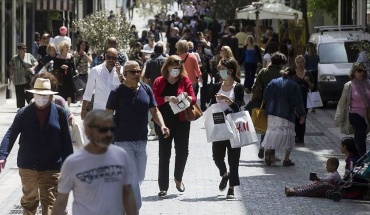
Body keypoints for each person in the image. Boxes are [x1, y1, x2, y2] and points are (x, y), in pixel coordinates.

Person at [0, 78, 73, 215]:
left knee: (50, 201)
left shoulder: (60, 113)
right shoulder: (24, 113)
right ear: (33, 95)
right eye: (39, 95)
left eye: (45, 95)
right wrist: (2, 155)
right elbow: (11, 133)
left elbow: (67, 141)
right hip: (28, 166)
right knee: (29, 201)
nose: (42, 98)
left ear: (51, 96)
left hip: (51, 166)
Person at [106, 60, 170, 212]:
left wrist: (162, 125)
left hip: (142, 140)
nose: (136, 74)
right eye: (132, 72)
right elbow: (107, 115)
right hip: (122, 141)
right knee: (133, 176)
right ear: (125, 74)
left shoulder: (147, 89)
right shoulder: (117, 92)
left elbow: (154, 111)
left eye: (138, 71)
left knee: (139, 177)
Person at [51, 110, 137, 215]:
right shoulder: (72, 163)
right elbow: (61, 201)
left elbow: (127, 193)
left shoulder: (121, 156)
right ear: (87, 131)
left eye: (111, 129)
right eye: (103, 129)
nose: (109, 134)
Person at [152, 55, 196, 197]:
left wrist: (189, 98)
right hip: (164, 122)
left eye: (178, 68)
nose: (176, 70)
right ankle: (163, 186)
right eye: (173, 67)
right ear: (167, 67)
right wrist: (166, 98)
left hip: (182, 121)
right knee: (164, 153)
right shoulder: (159, 81)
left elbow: (193, 97)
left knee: (182, 151)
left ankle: (178, 178)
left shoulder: (184, 80)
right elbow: (152, 100)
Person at [208, 58, 244, 199]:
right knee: (217, 156)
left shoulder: (238, 87)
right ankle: (224, 173)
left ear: (230, 71)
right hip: (218, 126)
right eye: (219, 69)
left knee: (233, 159)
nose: (219, 72)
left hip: (234, 126)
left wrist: (228, 101)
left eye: (222, 69)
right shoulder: (217, 86)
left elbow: (238, 107)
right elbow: (211, 104)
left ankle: (231, 188)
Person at [246, 52, 287, 160]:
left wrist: (252, 98)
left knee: (265, 127)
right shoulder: (282, 74)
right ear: (281, 63)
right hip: (278, 105)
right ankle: (271, 153)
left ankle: (262, 146)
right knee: (274, 128)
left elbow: (255, 86)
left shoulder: (263, 71)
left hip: (263, 103)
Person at [262, 67, 306, 166]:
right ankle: (286, 159)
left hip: (272, 112)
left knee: (271, 131)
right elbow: (299, 102)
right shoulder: (294, 85)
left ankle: (268, 151)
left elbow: (265, 95)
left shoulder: (273, 82)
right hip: (287, 113)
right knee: (289, 134)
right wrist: (302, 115)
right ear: (294, 75)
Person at [335, 62, 370, 155]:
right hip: (354, 113)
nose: (361, 73)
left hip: (367, 114)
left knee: (359, 134)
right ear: (354, 72)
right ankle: (362, 154)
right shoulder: (349, 85)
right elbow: (342, 102)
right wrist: (339, 117)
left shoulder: (368, 83)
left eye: (363, 71)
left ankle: (355, 154)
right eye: (359, 71)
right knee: (361, 131)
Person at [81, 48, 123, 119]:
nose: (111, 60)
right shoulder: (95, 71)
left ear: (117, 58)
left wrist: (120, 74)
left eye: (114, 58)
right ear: (105, 56)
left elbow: (126, 88)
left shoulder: (121, 70)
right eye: (109, 57)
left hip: (116, 113)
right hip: (99, 112)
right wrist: (83, 110)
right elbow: (88, 92)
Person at [143, 43, 167, 138]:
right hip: (166, 88)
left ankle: (158, 132)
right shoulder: (166, 61)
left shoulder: (150, 62)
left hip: (154, 89)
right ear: (163, 50)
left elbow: (147, 76)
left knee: (156, 110)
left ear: (154, 51)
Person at [9, 43, 38, 109]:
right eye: (22, 49)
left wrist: (33, 68)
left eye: (25, 48)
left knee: (29, 93)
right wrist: (11, 76)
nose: (24, 50)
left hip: (27, 78)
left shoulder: (29, 56)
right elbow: (12, 67)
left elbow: (36, 62)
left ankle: (31, 106)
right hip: (18, 79)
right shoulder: (15, 58)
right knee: (19, 95)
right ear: (18, 50)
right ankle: (21, 108)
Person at [294, 55, 315, 144]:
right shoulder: (293, 73)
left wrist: (308, 81)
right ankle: (295, 136)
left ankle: (301, 137)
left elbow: (312, 87)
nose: (299, 64)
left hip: (305, 99)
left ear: (304, 63)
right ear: (295, 63)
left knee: (303, 117)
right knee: (295, 117)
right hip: (294, 99)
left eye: (301, 62)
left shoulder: (308, 73)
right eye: (298, 62)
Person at [54, 41, 76, 106]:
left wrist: (75, 71)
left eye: (68, 47)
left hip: (69, 76)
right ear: (62, 48)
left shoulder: (70, 56)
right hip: (61, 77)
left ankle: (68, 107)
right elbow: (55, 67)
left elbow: (73, 66)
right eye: (66, 47)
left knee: (69, 92)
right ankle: (62, 106)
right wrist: (61, 66)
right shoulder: (58, 57)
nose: (68, 48)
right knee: (61, 92)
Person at [304, 42, 320, 113]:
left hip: (308, 72)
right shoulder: (316, 56)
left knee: (307, 88)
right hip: (315, 72)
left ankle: (307, 104)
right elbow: (317, 62)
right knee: (314, 88)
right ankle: (314, 106)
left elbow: (304, 64)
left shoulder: (306, 56)